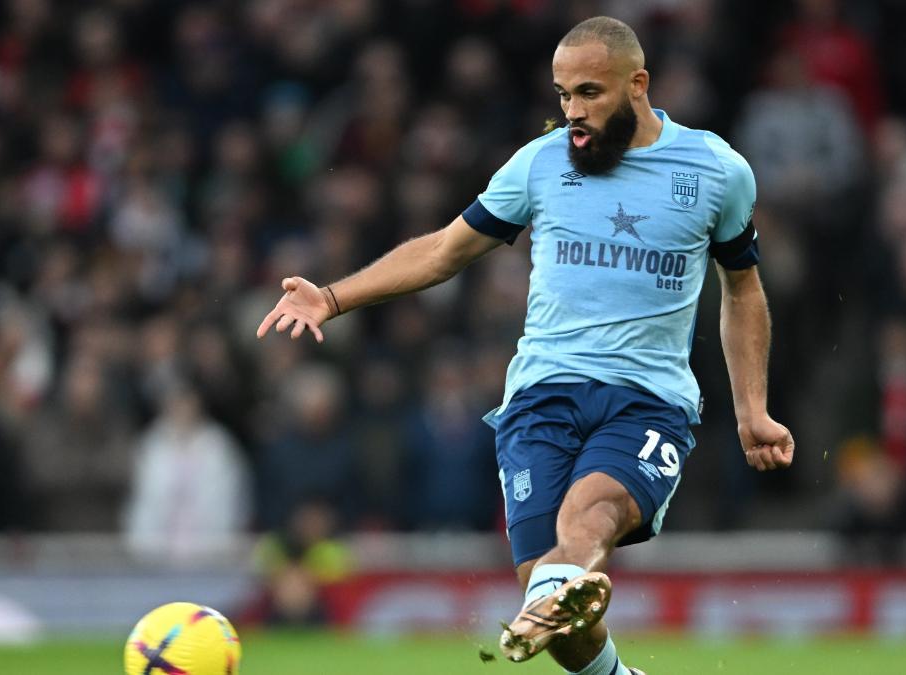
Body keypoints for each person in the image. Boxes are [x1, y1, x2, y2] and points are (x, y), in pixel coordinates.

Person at [257, 16, 794, 675]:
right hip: (540, 397)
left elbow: (742, 288)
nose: (573, 112)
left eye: (590, 93)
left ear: (638, 84)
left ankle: (564, 581)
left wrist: (752, 408)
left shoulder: (715, 170)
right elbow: (446, 250)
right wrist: (332, 297)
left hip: (647, 402)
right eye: (563, 94)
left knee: (585, 520)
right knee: (551, 592)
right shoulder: (541, 164)